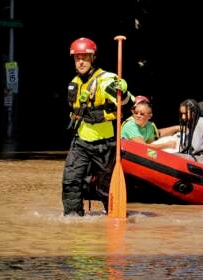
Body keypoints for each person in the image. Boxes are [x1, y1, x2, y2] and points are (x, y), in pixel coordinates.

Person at [62, 37, 133, 216]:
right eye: (77, 58)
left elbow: (128, 103)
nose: (81, 62)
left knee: (104, 187)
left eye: (85, 58)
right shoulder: (74, 83)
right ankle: (73, 219)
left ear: (93, 58)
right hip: (81, 142)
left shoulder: (107, 80)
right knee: (70, 181)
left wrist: (122, 92)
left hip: (105, 144)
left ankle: (113, 215)